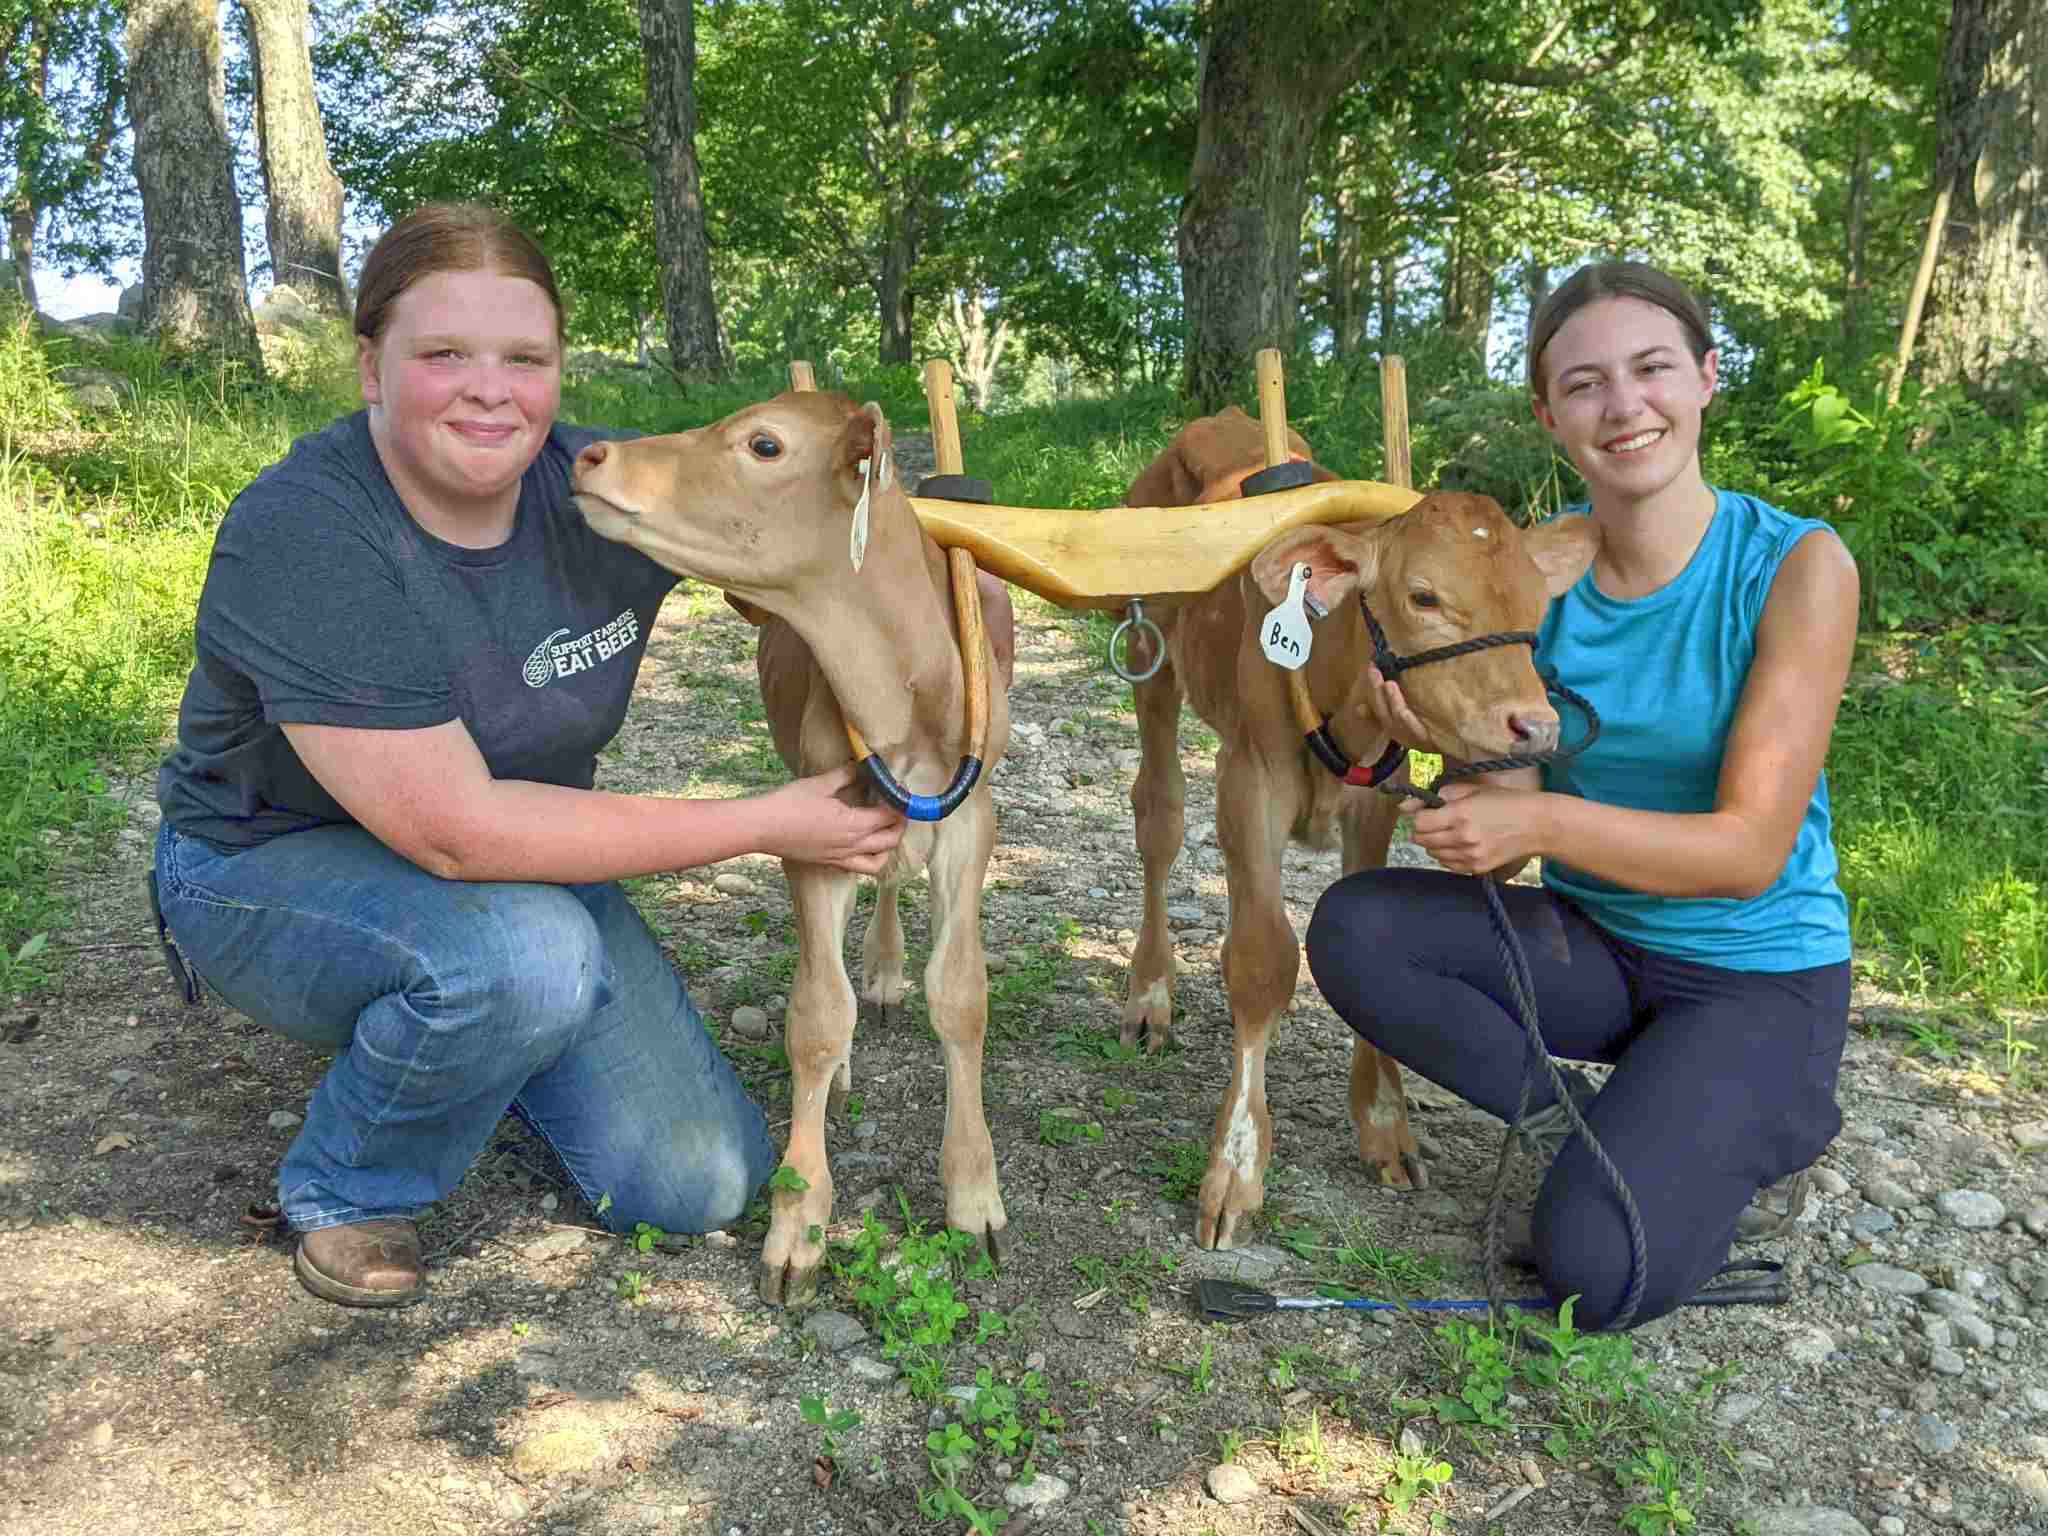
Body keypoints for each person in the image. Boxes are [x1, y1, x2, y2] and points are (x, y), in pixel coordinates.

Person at [151, 202, 911, 1309]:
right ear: (371, 366)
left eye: (525, 358)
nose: (489, 389)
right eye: (443, 355)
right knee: (524, 960)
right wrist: (771, 818)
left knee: (697, 1183)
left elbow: (790, 539)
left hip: (520, 868)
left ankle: (476, 1042)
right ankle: (353, 1181)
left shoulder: (591, 490)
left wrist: (942, 559)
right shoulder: (308, 533)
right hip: (271, 867)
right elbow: (457, 833)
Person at [1305, 260, 1860, 1332]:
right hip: (1597, 948)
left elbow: (1746, 850)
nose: (1622, 406)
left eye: (1650, 369)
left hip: (1755, 979)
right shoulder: (1527, 570)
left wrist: (1539, 818)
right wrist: (1442, 757)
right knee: (1355, 927)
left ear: (1704, 379)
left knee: (1589, 1276)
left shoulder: (1793, 565)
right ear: (1548, 414)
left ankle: (1761, 1117)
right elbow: (1502, 845)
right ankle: (1597, 1131)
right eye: (1584, 384)